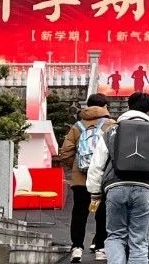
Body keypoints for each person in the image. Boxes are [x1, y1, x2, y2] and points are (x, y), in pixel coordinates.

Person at [87, 92, 149, 264]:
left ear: (128, 106)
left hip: (115, 187)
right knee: (139, 240)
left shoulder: (112, 131)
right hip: (145, 188)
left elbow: (97, 163)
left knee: (115, 235)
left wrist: (95, 191)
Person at [59, 94, 115, 262]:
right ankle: (100, 248)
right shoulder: (111, 125)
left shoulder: (77, 126)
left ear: (88, 106)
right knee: (102, 212)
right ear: (105, 107)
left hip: (80, 179)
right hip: (102, 178)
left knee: (79, 212)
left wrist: (77, 166)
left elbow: (65, 152)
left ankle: (77, 248)